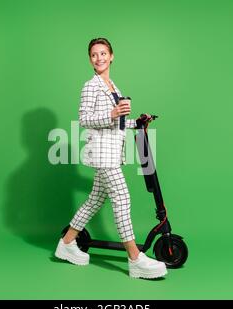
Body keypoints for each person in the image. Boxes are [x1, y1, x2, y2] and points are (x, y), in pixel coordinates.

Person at [55, 38, 167, 279]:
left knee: (95, 200)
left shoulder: (113, 86)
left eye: (103, 53)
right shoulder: (90, 86)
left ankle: (66, 243)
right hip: (102, 153)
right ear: (90, 59)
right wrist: (112, 112)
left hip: (113, 152)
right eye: (94, 55)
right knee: (122, 197)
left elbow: (117, 122)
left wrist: (138, 122)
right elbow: (84, 119)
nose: (99, 58)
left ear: (112, 56)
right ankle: (135, 258)